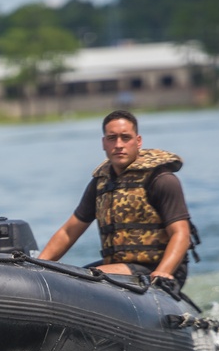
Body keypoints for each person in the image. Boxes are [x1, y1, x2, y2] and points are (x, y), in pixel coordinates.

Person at [38, 109, 196, 289]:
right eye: (112, 138)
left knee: (85, 280)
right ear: (103, 143)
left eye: (125, 138)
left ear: (138, 141)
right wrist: (37, 267)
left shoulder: (161, 180)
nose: (119, 144)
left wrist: (163, 272)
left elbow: (181, 234)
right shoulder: (100, 184)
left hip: (160, 268)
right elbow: (68, 232)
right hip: (120, 268)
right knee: (71, 280)